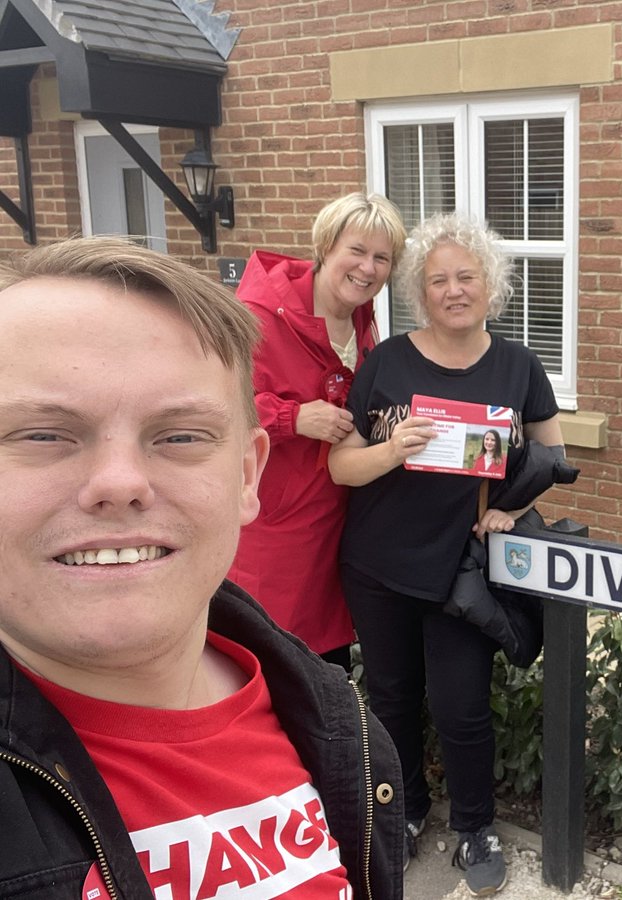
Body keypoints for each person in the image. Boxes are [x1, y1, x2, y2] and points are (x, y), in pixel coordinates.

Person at [0, 236, 404, 898]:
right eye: (44, 434)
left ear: (247, 475)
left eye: (179, 436)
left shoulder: (335, 726)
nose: (121, 482)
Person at [329, 213, 564, 897]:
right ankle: (401, 815)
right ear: (419, 292)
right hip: (379, 563)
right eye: (438, 280)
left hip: (463, 567)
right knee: (394, 698)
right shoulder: (387, 362)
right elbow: (341, 466)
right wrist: (390, 449)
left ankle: (475, 826)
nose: (454, 290)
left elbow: (551, 459)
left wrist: (512, 509)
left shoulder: (519, 365)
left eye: (467, 277)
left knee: (463, 707)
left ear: (490, 284)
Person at [228, 192, 407, 670]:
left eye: (382, 258)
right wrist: (293, 418)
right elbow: (215, 407)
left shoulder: (363, 321)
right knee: (272, 663)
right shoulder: (257, 317)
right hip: (276, 530)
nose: (367, 268)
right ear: (326, 246)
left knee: (327, 670)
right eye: (357, 250)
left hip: (338, 523)